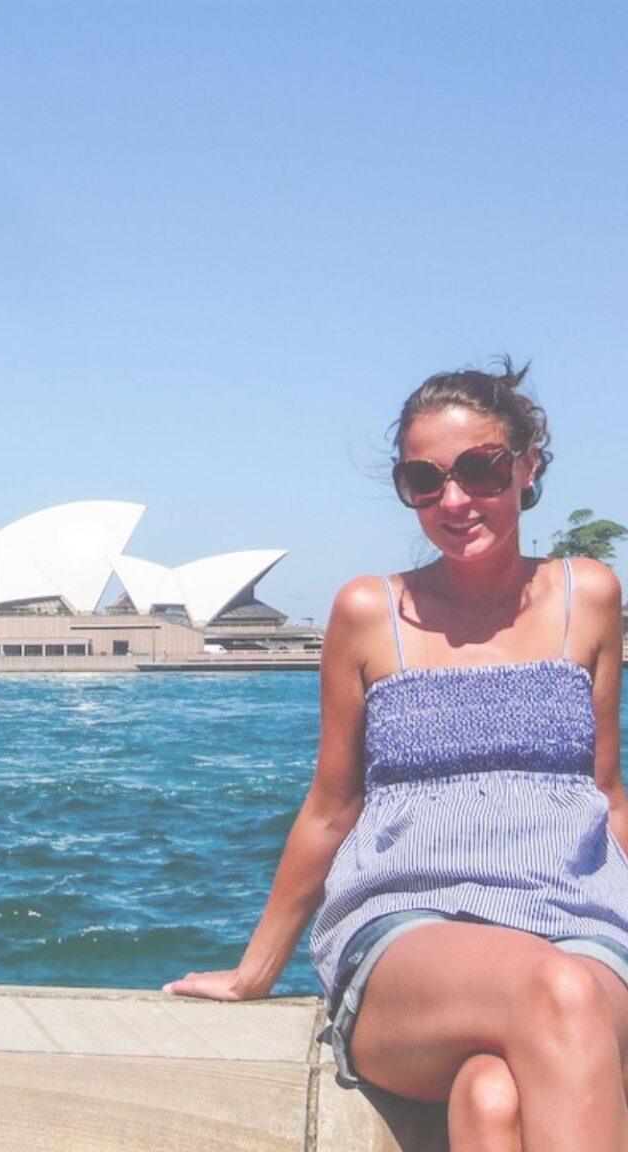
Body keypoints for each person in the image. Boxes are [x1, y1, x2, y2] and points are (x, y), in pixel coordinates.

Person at [164, 359, 628, 1151]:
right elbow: (331, 804)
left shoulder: (590, 596)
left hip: (578, 926)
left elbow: (607, 792)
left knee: (492, 1099)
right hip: (409, 928)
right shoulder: (368, 611)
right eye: (425, 479)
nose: (455, 500)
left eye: (480, 470)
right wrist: (256, 971)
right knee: (560, 997)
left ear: (527, 466)